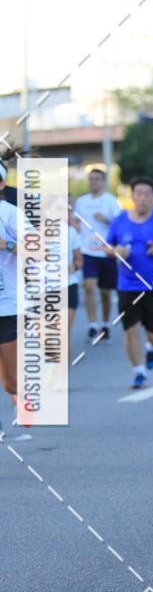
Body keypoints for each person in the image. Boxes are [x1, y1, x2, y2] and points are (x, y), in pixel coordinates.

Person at [106, 178, 153, 389]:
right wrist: (118, 252)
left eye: (147, 193)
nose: (142, 197)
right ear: (132, 196)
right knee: (130, 330)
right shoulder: (120, 221)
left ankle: (151, 348)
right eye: (138, 193)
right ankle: (138, 372)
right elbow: (108, 247)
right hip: (128, 286)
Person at [73, 169, 121, 342]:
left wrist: (105, 219)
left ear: (103, 181)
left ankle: (105, 324)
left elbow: (119, 225)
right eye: (91, 179)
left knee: (105, 293)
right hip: (87, 251)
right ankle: (92, 325)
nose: (93, 182)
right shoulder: (81, 201)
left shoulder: (111, 201)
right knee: (89, 286)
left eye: (97, 179)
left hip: (106, 252)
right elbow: (75, 221)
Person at [0, 161, 18, 415]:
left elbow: (39, 248)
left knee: (10, 379)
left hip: (6, 305)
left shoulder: (10, 214)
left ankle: (17, 393)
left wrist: (7, 245)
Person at [67, 207, 83, 361]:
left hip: (67, 287)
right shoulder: (32, 232)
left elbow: (79, 261)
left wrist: (74, 266)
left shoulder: (70, 232)